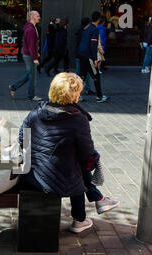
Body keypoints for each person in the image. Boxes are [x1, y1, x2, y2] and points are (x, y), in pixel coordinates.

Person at [19, 72, 120, 233]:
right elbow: (87, 154)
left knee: (70, 163)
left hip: (34, 173)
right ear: (75, 94)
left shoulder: (37, 112)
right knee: (77, 166)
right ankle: (82, 217)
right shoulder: (78, 119)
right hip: (57, 179)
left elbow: (22, 139)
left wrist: (39, 153)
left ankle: (99, 200)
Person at [9, 11, 42, 102]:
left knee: (29, 75)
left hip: (28, 54)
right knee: (33, 77)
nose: (39, 17)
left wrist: (36, 53)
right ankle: (31, 96)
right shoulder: (30, 29)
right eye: (37, 16)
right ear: (32, 17)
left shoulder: (32, 27)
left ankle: (13, 87)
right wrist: (34, 58)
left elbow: (30, 44)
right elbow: (31, 45)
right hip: (29, 56)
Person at [77, 11, 109, 103]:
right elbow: (93, 45)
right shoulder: (94, 29)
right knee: (96, 76)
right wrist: (95, 59)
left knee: (81, 76)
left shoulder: (87, 28)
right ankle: (99, 96)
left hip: (82, 54)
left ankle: (76, 96)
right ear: (99, 19)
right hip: (88, 56)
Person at [75, 17, 93, 96]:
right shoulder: (85, 32)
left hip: (79, 55)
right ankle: (80, 91)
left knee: (81, 74)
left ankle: (85, 89)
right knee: (83, 74)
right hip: (83, 55)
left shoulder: (80, 31)